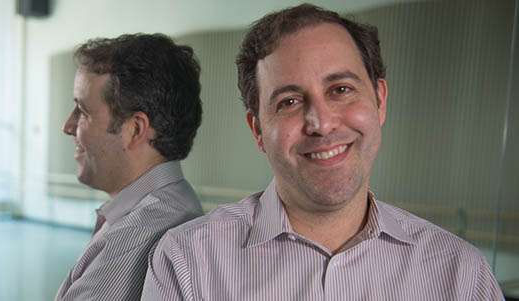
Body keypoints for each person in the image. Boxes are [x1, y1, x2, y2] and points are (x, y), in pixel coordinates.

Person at [142, 4, 503, 300]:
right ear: (258, 131)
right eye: (290, 101)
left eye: (341, 89)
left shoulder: (460, 274)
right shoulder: (188, 260)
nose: (321, 123)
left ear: (379, 101)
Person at [55, 33, 204, 301]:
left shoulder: (135, 239)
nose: (68, 126)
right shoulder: (176, 204)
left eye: (83, 112)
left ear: (135, 129)